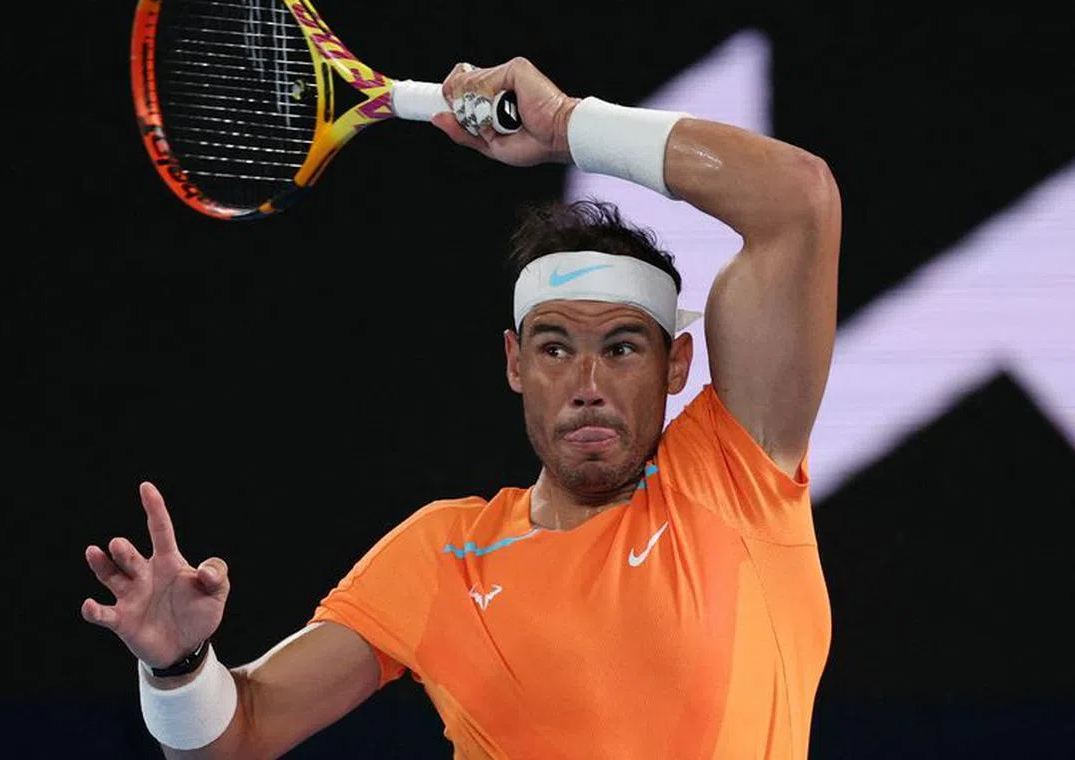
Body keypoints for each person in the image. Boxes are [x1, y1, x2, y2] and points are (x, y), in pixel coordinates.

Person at [81, 56, 841, 759]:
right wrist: (179, 667)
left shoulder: (734, 474)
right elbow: (237, 735)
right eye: (553, 348)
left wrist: (566, 123)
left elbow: (796, 200)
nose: (587, 381)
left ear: (675, 365)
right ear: (514, 363)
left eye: (621, 348)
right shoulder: (442, 558)